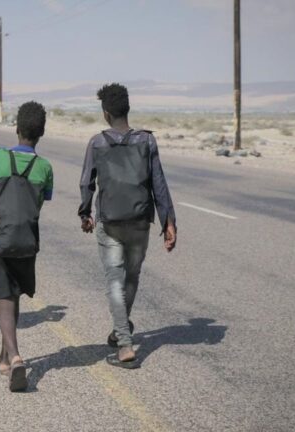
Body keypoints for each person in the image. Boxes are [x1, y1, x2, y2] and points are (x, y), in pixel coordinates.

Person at [78, 83, 177, 369]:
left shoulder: (97, 143)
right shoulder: (146, 141)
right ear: (127, 109)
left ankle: (124, 344)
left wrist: (85, 213)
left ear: (105, 113)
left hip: (109, 223)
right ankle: (121, 330)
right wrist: (168, 221)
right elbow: (158, 182)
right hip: (140, 223)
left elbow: (87, 182)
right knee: (131, 277)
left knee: (114, 281)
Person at [0, 101, 54, 392]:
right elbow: (41, 201)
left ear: (16, 129)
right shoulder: (44, 167)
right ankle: (5, 357)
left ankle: (15, 357)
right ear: (41, 133)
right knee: (14, 295)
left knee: (4, 298)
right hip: (27, 242)